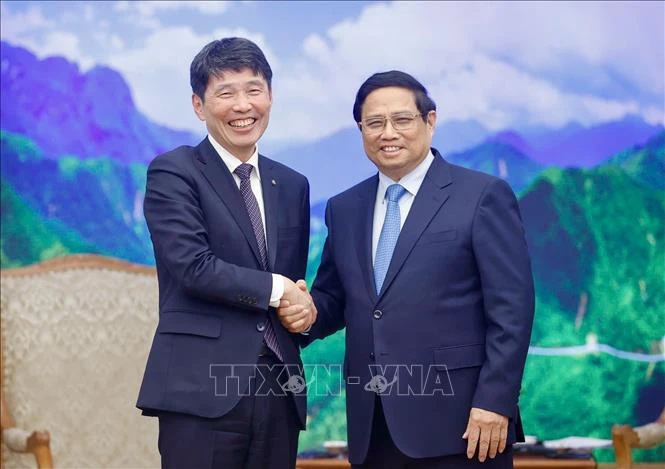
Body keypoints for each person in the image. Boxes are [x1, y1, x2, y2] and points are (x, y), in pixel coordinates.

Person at [279, 70, 535, 468]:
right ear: (361, 130)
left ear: (429, 122)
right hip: (373, 426)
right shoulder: (345, 208)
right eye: (374, 123)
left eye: (401, 120)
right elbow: (334, 297)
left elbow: (512, 309)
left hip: (465, 426)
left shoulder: (481, 196)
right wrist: (305, 312)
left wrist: (495, 401)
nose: (388, 133)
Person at [136, 37, 315, 469]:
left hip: (278, 387)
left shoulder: (292, 185)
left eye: (254, 90)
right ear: (199, 105)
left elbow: (291, 283)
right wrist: (280, 290)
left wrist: (304, 312)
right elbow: (192, 266)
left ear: (270, 96)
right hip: (200, 391)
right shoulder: (174, 171)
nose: (243, 105)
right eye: (225, 93)